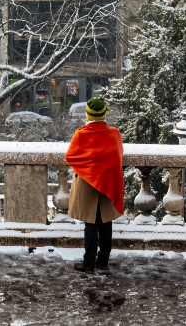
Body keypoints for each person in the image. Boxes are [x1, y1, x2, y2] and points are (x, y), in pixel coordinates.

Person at [64, 97, 124, 274]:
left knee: (90, 223)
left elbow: (70, 157)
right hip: (107, 182)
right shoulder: (114, 133)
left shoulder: (81, 134)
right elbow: (117, 155)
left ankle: (88, 262)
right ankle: (103, 261)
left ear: (88, 116)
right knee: (106, 221)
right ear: (104, 114)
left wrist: (88, 168)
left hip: (87, 182)